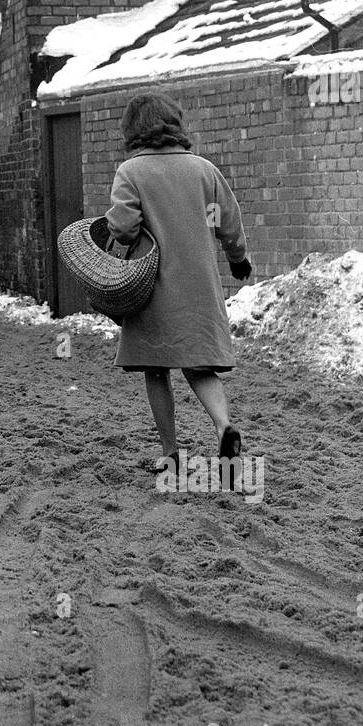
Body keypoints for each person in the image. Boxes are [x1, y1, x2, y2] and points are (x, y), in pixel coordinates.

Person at [105, 94, 252, 489]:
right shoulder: (204, 170)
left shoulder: (131, 171)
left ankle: (170, 453)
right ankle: (224, 427)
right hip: (199, 285)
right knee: (199, 365)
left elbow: (123, 228)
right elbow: (229, 222)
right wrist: (238, 258)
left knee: (156, 368)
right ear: (174, 124)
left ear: (134, 129)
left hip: (152, 286)